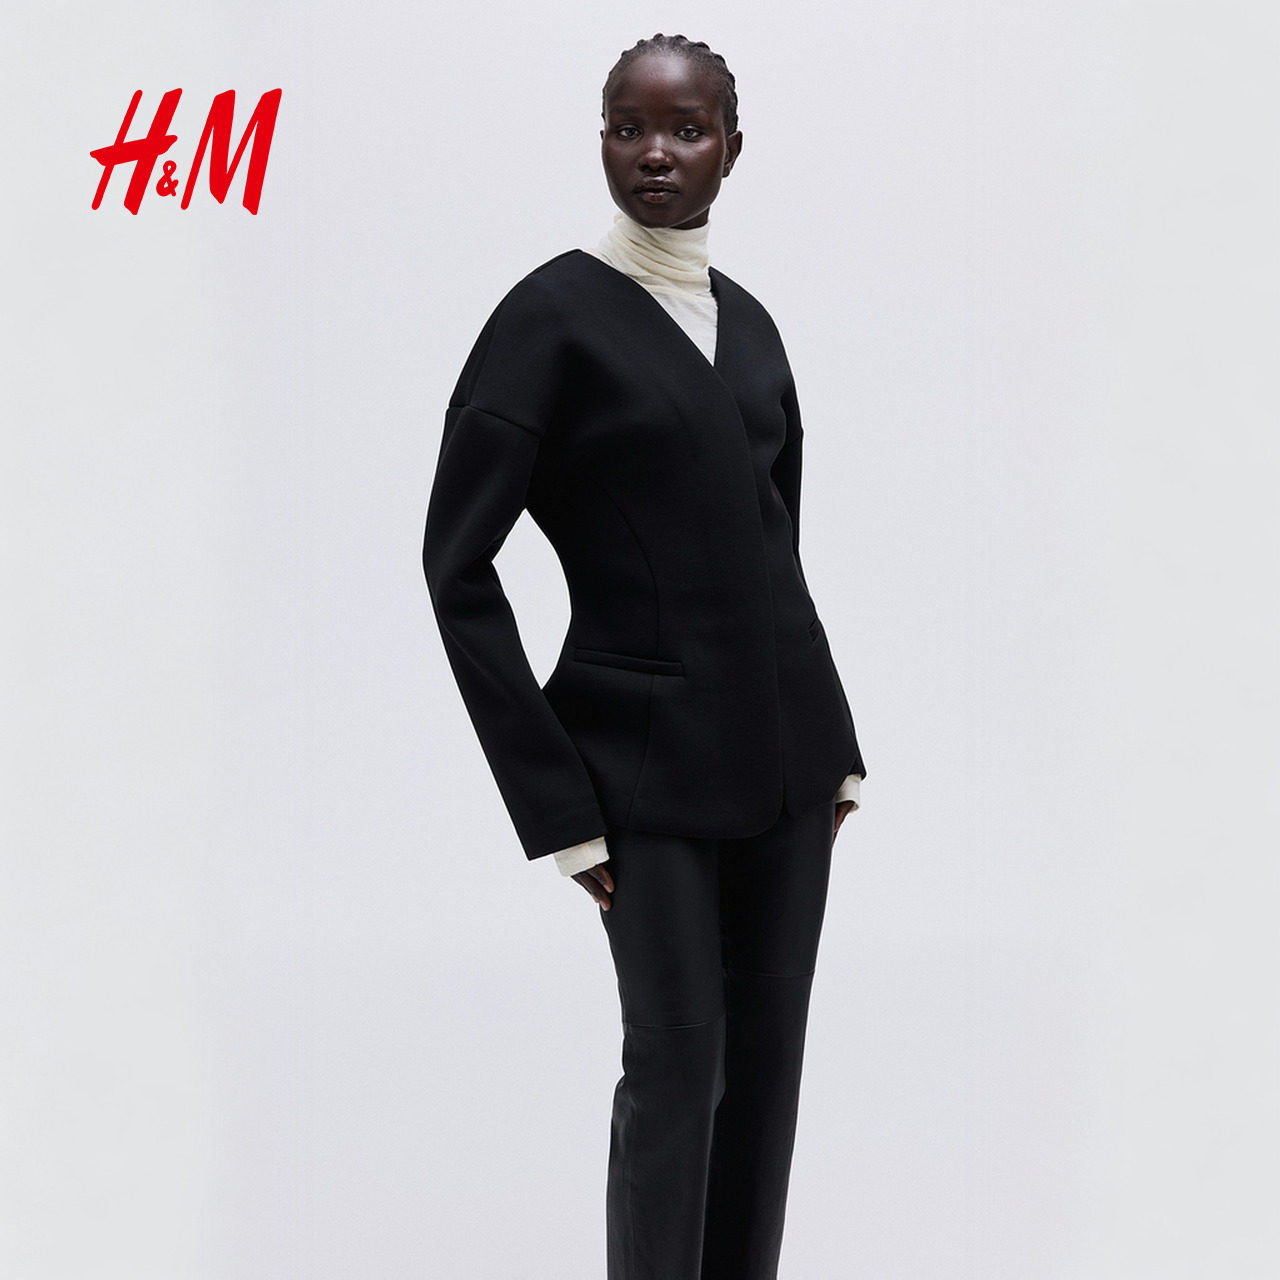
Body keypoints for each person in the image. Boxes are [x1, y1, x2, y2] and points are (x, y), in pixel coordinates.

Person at [422, 33, 866, 1280]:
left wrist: (834, 748)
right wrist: (557, 803)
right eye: (627, 128)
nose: (654, 153)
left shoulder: (754, 330)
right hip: (641, 775)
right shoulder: (547, 321)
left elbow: (772, 557)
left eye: (684, 129)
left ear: (732, 147)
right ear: (601, 141)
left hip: (788, 772)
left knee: (766, 1068)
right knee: (678, 1063)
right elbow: (456, 569)